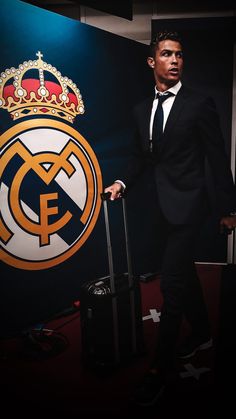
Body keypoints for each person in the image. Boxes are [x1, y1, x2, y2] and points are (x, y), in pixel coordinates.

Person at [105, 30, 236, 406]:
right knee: (183, 272)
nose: (175, 60)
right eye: (166, 54)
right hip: (157, 208)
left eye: (179, 54)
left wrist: (229, 209)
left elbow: (216, 156)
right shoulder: (140, 110)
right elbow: (141, 158)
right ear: (152, 62)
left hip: (189, 208)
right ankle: (202, 333)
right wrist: (120, 182)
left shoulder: (199, 103)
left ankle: (157, 371)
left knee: (172, 285)